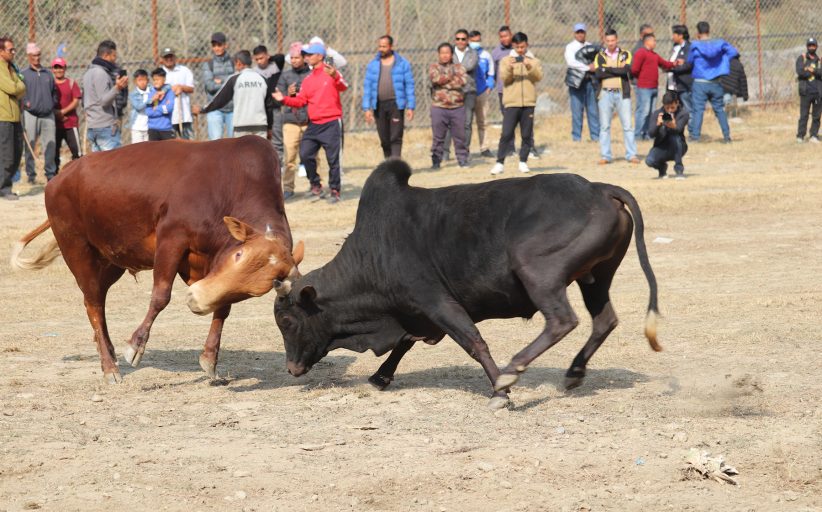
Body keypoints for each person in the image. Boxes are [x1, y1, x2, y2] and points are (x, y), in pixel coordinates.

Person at [273, 43, 348, 203]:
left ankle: (335, 190)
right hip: (314, 124)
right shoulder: (308, 79)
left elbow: (344, 86)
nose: (306, 57)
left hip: (331, 122)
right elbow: (301, 101)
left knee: (333, 159)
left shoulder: (331, 72)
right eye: (305, 54)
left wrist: (335, 75)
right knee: (305, 154)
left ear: (320, 56)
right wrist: (284, 99)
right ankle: (316, 186)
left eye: (309, 54)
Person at [490, 32, 543, 175]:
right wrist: (511, 68)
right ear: (513, 45)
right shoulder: (506, 60)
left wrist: (528, 66)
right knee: (506, 133)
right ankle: (500, 162)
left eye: (523, 47)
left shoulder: (533, 60)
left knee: (526, 134)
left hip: (528, 103)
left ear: (527, 45)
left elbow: (538, 77)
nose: (520, 50)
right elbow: (504, 79)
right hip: (512, 103)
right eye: (517, 47)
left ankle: (523, 161)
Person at [362, 35, 416, 159]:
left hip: (396, 105)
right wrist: (366, 108)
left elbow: (409, 85)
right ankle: (388, 163)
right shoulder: (373, 65)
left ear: (391, 47)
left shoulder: (402, 63)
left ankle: (396, 165)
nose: (381, 49)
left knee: (396, 137)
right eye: (379, 46)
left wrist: (410, 106)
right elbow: (367, 87)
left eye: (384, 46)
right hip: (379, 105)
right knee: (384, 138)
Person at [198, 50, 271, 139]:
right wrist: (270, 127)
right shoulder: (263, 79)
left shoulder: (234, 79)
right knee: (259, 152)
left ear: (239, 63)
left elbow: (219, 100)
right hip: (260, 126)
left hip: (241, 126)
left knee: (242, 152)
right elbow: (269, 106)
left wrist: (202, 109)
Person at [686, 21, 738, 143]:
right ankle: (726, 136)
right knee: (719, 109)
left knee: (698, 110)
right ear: (709, 31)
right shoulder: (719, 44)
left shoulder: (695, 46)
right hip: (716, 82)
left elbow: (689, 60)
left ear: (698, 33)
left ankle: (695, 136)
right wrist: (722, 60)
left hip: (700, 82)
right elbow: (733, 52)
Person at [594, 29, 639, 165]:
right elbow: (598, 74)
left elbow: (626, 70)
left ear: (617, 40)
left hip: (622, 93)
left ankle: (631, 154)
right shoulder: (600, 56)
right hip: (605, 93)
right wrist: (616, 71)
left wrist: (607, 69)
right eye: (608, 41)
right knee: (605, 126)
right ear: (605, 41)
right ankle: (605, 155)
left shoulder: (625, 54)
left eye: (613, 40)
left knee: (627, 125)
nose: (611, 43)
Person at [277, 42, 311, 200]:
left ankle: (314, 185)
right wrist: (287, 94)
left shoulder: (311, 74)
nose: (294, 60)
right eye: (292, 58)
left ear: (304, 57)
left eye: (297, 57)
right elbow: (279, 98)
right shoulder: (285, 76)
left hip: (309, 120)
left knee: (311, 155)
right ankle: (288, 188)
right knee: (289, 157)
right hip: (291, 121)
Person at [21, 42, 58, 183]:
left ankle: (50, 174)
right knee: (30, 144)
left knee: (50, 144)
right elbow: (20, 93)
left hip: (48, 114)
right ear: (28, 56)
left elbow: (54, 92)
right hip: (30, 114)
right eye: (34, 55)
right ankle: (31, 175)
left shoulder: (48, 73)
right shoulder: (23, 74)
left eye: (38, 55)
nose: (37, 58)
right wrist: (26, 103)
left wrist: (51, 103)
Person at [427, 42, 468, 169]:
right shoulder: (434, 67)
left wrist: (444, 82)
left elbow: (462, 82)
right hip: (439, 107)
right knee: (438, 137)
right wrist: (451, 78)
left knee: (460, 136)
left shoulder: (459, 67)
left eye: (447, 53)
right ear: (439, 54)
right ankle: (436, 161)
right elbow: (435, 79)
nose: (445, 55)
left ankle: (462, 160)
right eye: (442, 53)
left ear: (451, 54)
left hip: (457, 107)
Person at [83, 40, 128, 152]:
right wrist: (118, 88)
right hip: (105, 128)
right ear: (106, 55)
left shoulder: (89, 72)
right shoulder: (100, 73)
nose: (115, 59)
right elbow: (104, 101)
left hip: (93, 126)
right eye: (113, 56)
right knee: (114, 165)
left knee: (99, 167)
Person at [442, 29, 478, 161]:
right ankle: (445, 152)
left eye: (463, 39)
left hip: (469, 91)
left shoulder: (473, 53)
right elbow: (445, 67)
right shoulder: (450, 52)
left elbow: (470, 66)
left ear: (467, 40)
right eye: (458, 39)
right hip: (452, 92)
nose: (460, 41)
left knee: (467, 123)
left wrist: (453, 68)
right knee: (449, 123)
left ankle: (464, 152)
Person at [632, 33, 674, 141]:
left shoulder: (654, 55)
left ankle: (647, 134)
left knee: (651, 112)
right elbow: (634, 69)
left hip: (654, 87)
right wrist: (642, 78)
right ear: (647, 41)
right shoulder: (641, 53)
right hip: (644, 87)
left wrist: (674, 63)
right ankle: (637, 134)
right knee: (644, 111)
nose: (655, 43)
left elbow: (664, 63)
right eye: (654, 41)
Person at [565, 22, 599, 142]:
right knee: (577, 110)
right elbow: (571, 62)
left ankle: (595, 137)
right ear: (574, 33)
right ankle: (576, 138)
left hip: (590, 81)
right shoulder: (570, 47)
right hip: (576, 82)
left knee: (593, 110)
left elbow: (597, 60)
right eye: (578, 32)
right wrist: (588, 67)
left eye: (582, 32)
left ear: (585, 33)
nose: (580, 34)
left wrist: (595, 66)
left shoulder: (590, 45)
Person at [0, 36, 25, 200]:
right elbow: (12, 87)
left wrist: (19, 87)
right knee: (6, 155)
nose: (14, 52)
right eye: (11, 50)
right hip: (3, 118)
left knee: (17, 153)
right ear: (1, 52)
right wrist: (19, 87)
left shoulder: (11, 68)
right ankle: (4, 189)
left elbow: (20, 87)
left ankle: (5, 186)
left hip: (15, 117)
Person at [645, 91, 689, 179]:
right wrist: (658, 124)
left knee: (674, 136)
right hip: (661, 146)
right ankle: (662, 169)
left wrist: (673, 125)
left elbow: (678, 129)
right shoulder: (657, 113)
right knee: (650, 160)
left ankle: (679, 169)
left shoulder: (683, 113)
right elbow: (651, 134)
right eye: (667, 107)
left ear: (677, 103)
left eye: (672, 107)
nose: (669, 110)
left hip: (679, 146)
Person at [252, 45, 285, 163]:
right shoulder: (254, 72)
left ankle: (279, 163)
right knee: (262, 138)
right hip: (261, 109)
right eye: (257, 59)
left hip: (275, 108)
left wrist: (270, 59)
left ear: (267, 56)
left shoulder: (275, 66)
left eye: (262, 58)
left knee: (277, 136)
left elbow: (281, 57)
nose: (260, 61)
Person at [202, 32, 234, 140]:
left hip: (233, 108)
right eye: (214, 45)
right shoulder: (208, 64)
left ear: (225, 45)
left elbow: (236, 83)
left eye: (219, 45)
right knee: (215, 144)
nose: (216, 48)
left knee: (234, 143)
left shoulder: (234, 62)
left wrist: (220, 82)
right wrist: (228, 81)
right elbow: (210, 86)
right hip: (215, 109)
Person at [51, 57, 82, 171]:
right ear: (52, 70)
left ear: (65, 69)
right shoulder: (50, 84)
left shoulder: (71, 83)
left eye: (61, 67)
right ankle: (54, 177)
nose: (59, 70)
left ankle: (77, 174)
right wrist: (55, 114)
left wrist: (62, 112)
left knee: (77, 153)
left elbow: (76, 101)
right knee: (54, 153)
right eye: (56, 67)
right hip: (54, 124)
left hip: (70, 124)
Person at [469, 30, 495, 157]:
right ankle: (464, 150)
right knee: (465, 123)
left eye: (477, 40)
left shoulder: (485, 55)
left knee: (483, 121)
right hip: (467, 93)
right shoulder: (466, 55)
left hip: (482, 92)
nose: (475, 43)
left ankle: (484, 148)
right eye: (473, 41)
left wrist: (489, 87)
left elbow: (491, 73)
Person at [160, 47, 195, 140]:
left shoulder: (184, 70)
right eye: (166, 57)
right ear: (162, 59)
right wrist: (171, 90)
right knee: (170, 148)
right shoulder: (159, 73)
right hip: (167, 117)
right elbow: (156, 91)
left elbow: (191, 88)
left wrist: (181, 87)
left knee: (189, 144)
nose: (169, 59)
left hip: (184, 115)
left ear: (175, 57)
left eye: (171, 56)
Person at [796, 37, 822, 143]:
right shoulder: (802, 58)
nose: (812, 47)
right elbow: (800, 72)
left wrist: (811, 69)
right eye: (810, 45)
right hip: (805, 92)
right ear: (807, 46)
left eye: (813, 45)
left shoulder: (819, 60)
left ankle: (814, 135)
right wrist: (814, 71)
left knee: (816, 116)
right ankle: (800, 136)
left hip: (817, 92)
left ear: (816, 47)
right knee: (804, 115)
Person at [668, 25, 693, 114]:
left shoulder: (689, 48)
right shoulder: (675, 47)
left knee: (688, 108)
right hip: (673, 84)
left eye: (674, 34)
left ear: (680, 35)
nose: (672, 37)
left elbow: (688, 65)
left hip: (684, 84)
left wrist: (672, 68)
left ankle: (692, 127)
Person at [145, 68, 175, 141]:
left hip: (166, 129)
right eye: (154, 80)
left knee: (167, 151)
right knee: (153, 151)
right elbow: (148, 112)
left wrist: (156, 108)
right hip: (152, 129)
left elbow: (169, 109)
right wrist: (163, 109)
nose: (156, 82)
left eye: (158, 79)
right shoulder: (150, 93)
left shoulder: (169, 92)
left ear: (164, 79)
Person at [128, 69, 150, 143]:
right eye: (139, 80)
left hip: (149, 126)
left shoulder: (151, 91)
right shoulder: (133, 94)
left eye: (144, 80)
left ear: (148, 80)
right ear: (135, 82)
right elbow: (138, 107)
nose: (142, 82)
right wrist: (150, 100)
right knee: (137, 149)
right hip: (137, 127)